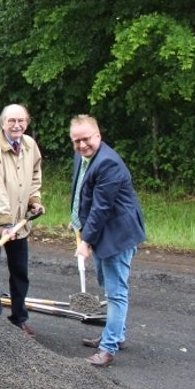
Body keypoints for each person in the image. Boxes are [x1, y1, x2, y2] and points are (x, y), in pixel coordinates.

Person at [69, 114, 146, 367]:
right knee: (108, 285)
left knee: (115, 292)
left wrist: (85, 241)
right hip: (102, 230)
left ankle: (108, 347)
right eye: (76, 140)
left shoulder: (108, 163)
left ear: (98, 135)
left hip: (117, 234)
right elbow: (84, 192)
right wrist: (77, 220)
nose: (82, 145)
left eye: (86, 139)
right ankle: (116, 334)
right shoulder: (83, 157)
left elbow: (102, 207)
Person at [0, 103, 44, 336]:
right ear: (2, 123)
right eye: (11, 121)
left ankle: (19, 319)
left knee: (20, 273)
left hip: (19, 224)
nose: (16, 125)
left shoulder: (30, 145)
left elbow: (35, 174)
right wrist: (6, 223)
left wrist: (34, 200)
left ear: (27, 122)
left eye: (21, 121)